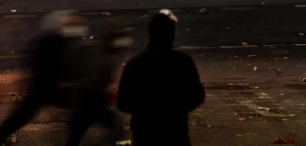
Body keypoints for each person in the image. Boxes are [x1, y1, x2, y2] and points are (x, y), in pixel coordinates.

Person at [0, 11, 88, 146]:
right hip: (50, 87)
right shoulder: (57, 41)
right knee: (81, 113)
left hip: (43, 87)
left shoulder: (54, 39)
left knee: (18, 118)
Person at [117, 9, 205, 146]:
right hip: (175, 131)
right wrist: (177, 108)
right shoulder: (183, 62)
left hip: (144, 133)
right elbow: (197, 96)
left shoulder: (135, 64)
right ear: (172, 34)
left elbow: (122, 103)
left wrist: (145, 110)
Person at [63, 19, 132, 146]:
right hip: (89, 101)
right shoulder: (99, 53)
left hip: (89, 102)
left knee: (76, 136)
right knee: (115, 132)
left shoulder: (106, 51)